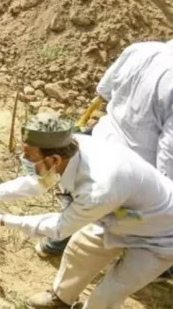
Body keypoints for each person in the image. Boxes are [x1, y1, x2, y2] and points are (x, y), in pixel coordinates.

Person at [0, 113, 173, 309]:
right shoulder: (71, 149)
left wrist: (0, 219)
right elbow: (37, 182)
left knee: (107, 294)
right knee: (79, 250)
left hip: (160, 233)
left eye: (28, 155)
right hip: (119, 215)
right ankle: (61, 298)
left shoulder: (98, 187)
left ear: (54, 160)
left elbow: (58, 228)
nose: (24, 159)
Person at [35, 41, 173, 281]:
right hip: (133, 165)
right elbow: (168, 150)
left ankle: (55, 242)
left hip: (103, 139)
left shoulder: (141, 49)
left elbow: (104, 90)